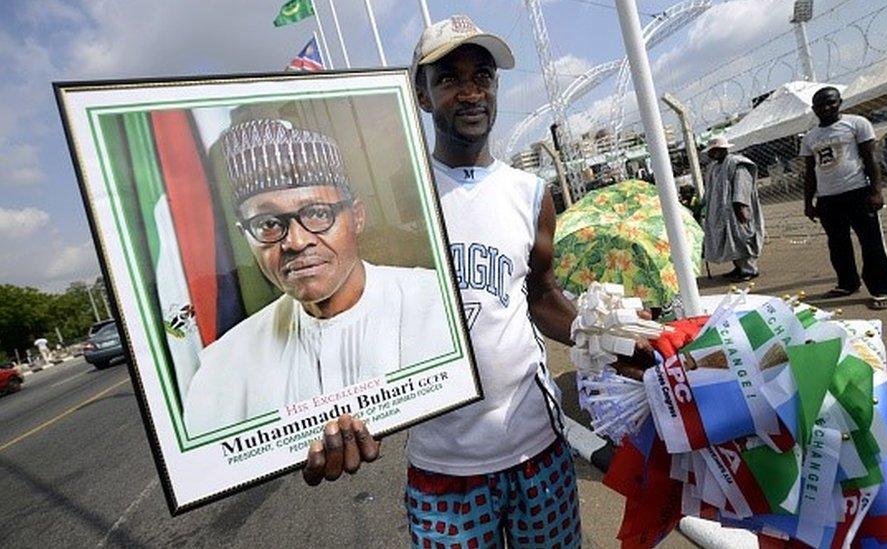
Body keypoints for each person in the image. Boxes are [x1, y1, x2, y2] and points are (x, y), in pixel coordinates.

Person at [303, 15, 610, 548]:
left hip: (537, 449)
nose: (471, 92)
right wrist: (329, 415)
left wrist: (613, 337)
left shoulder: (530, 193)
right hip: (444, 469)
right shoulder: (393, 206)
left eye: (483, 76)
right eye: (449, 79)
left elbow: (540, 298)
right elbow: (354, 321)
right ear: (421, 97)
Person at [182, 119, 454, 436]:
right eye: (268, 222)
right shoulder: (223, 368)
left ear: (357, 217)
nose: (295, 242)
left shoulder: (439, 304)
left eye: (318, 213)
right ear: (246, 236)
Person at [801, 86, 887, 310]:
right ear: (814, 109)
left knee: (871, 243)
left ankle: (881, 290)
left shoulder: (857, 124)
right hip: (828, 199)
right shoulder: (810, 137)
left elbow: (870, 158)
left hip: (858, 192)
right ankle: (847, 282)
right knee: (838, 244)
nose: (827, 107)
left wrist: (877, 191)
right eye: (821, 105)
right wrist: (808, 203)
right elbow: (810, 172)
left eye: (831, 102)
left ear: (840, 102)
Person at [701, 135, 764, 282]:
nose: (711, 154)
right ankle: (738, 267)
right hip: (720, 211)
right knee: (729, 241)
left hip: (735, 209)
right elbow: (710, 189)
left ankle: (749, 269)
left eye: (714, 151)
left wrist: (740, 205)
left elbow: (742, 187)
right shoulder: (714, 167)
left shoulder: (737, 164)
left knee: (742, 238)